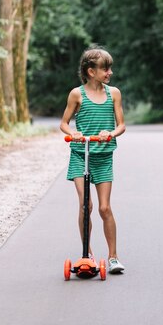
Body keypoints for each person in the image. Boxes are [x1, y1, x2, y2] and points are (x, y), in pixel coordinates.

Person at [60, 46, 126, 274]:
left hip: (104, 155)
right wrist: (74, 133)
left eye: (110, 68)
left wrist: (112, 133)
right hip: (81, 154)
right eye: (105, 69)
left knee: (104, 208)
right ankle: (86, 253)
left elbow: (121, 125)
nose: (110, 72)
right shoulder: (76, 94)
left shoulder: (113, 93)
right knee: (85, 205)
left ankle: (113, 257)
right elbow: (64, 123)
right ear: (91, 71)